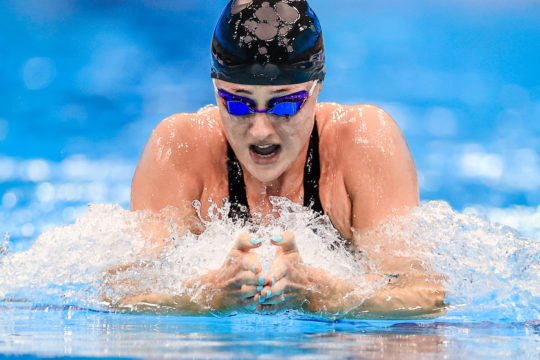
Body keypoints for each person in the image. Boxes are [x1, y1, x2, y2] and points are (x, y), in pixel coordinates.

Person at [123, 0, 445, 318]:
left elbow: (426, 295)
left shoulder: (363, 140)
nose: (261, 131)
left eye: (285, 106)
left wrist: (331, 295)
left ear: (316, 89)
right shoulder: (179, 147)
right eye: (238, 104)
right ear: (215, 89)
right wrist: (205, 296)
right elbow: (121, 293)